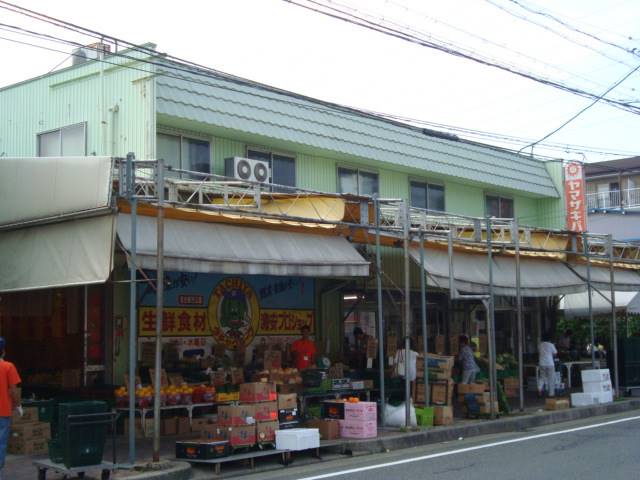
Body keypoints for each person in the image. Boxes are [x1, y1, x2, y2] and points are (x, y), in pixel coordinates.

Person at [0, 337, 21, 479]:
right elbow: (13, 390)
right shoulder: (8, 367)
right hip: (3, 411)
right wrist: (18, 405)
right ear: (3, 351)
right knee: (1, 443)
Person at [539, 332, 558, 397]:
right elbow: (555, 353)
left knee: (542, 377)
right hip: (550, 363)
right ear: (549, 338)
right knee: (551, 378)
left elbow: (539, 352)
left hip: (542, 363)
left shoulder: (540, 345)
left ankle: (539, 389)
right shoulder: (551, 345)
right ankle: (551, 393)